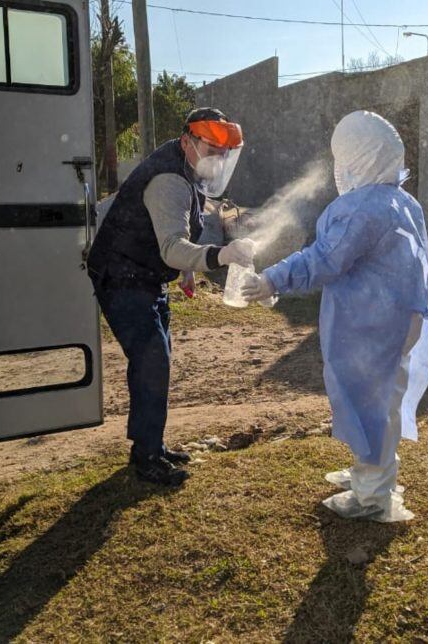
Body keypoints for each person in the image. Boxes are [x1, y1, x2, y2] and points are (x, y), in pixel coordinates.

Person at [242, 110, 428, 521]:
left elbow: (325, 259)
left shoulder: (360, 208)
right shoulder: (405, 202)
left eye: (342, 158)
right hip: (398, 322)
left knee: (371, 405)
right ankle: (368, 473)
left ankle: (373, 494)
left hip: (371, 327)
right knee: (377, 401)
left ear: (357, 159)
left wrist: (273, 280)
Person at [88, 107, 254, 486]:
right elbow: (171, 245)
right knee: (151, 361)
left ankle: (151, 446)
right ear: (187, 141)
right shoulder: (169, 180)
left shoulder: (186, 170)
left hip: (144, 275)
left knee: (154, 361)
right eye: (211, 149)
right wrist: (218, 256)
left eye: (222, 153)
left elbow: (179, 234)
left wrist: (187, 271)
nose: (217, 159)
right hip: (122, 275)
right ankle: (147, 457)